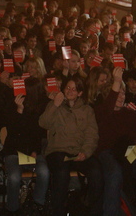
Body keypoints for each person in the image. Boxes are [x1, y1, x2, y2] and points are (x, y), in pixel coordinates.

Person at [94, 67, 136, 216]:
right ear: (109, 95)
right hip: (108, 153)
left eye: (123, 92)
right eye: (118, 92)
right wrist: (116, 81)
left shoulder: (130, 114)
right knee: (115, 173)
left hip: (128, 153)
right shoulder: (102, 111)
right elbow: (108, 108)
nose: (121, 95)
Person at [39, 76, 103, 216]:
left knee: (97, 171)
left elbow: (92, 135)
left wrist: (85, 152)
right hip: (58, 150)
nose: (70, 91)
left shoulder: (87, 110)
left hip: (78, 151)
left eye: (74, 89)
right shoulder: (55, 104)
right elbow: (43, 123)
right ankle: (58, 212)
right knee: (61, 174)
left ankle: (89, 208)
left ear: (80, 93)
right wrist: (55, 105)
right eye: (68, 88)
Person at [2, 77, 50, 214]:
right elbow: (12, 132)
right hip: (14, 152)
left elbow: (38, 134)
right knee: (14, 177)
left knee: (44, 172)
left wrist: (35, 151)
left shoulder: (41, 109)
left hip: (33, 152)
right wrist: (19, 111)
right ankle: (12, 208)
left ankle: (38, 204)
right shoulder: (13, 105)